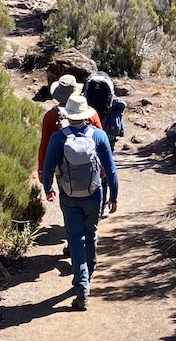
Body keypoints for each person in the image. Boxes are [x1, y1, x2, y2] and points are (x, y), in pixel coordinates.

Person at [42, 95, 119, 311]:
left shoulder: (58, 138)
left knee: (75, 240)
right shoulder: (99, 136)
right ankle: (88, 275)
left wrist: (48, 188)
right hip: (94, 195)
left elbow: (48, 168)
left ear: (68, 115)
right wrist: (114, 196)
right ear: (86, 115)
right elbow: (111, 169)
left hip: (69, 196)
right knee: (91, 235)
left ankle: (82, 289)